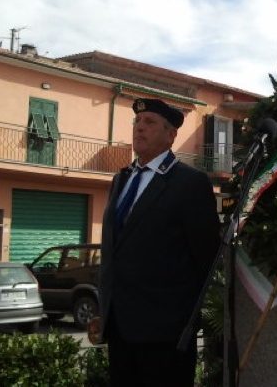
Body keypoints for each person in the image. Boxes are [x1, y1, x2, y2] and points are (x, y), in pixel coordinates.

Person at [88, 98, 220, 386]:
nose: (140, 128)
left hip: (165, 332)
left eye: (150, 123)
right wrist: (104, 309)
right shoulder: (120, 180)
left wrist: (181, 318)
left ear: (171, 135)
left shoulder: (189, 182)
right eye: (137, 122)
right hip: (121, 328)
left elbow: (206, 256)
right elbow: (114, 252)